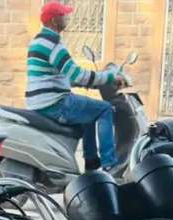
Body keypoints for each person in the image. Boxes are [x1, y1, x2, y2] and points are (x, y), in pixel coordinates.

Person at [26, 2, 125, 171]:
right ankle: (109, 164)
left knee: (88, 114)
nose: (67, 18)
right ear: (54, 20)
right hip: (55, 103)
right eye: (63, 15)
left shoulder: (38, 41)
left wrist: (86, 83)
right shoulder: (53, 44)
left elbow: (54, 75)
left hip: (40, 102)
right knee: (105, 109)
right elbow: (77, 74)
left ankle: (91, 161)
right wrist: (109, 77)